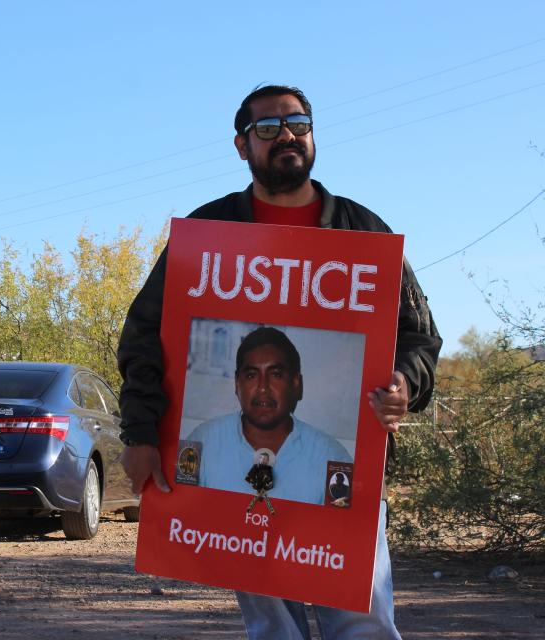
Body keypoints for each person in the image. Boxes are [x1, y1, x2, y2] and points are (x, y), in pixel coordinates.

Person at [117, 84, 442, 640]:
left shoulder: (363, 232)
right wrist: (141, 430)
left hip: (347, 488)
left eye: (298, 122)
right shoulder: (211, 233)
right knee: (272, 630)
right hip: (236, 495)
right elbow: (146, 335)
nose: (286, 135)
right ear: (243, 146)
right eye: (268, 128)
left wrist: (404, 385)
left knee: (364, 622)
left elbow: (420, 339)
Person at [188, 327, 352, 505]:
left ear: (296, 383)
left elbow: (343, 530)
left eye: (275, 375)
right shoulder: (200, 442)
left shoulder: (334, 459)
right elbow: (176, 516)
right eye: (251, 375)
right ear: (237, 383)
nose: (263, 388)